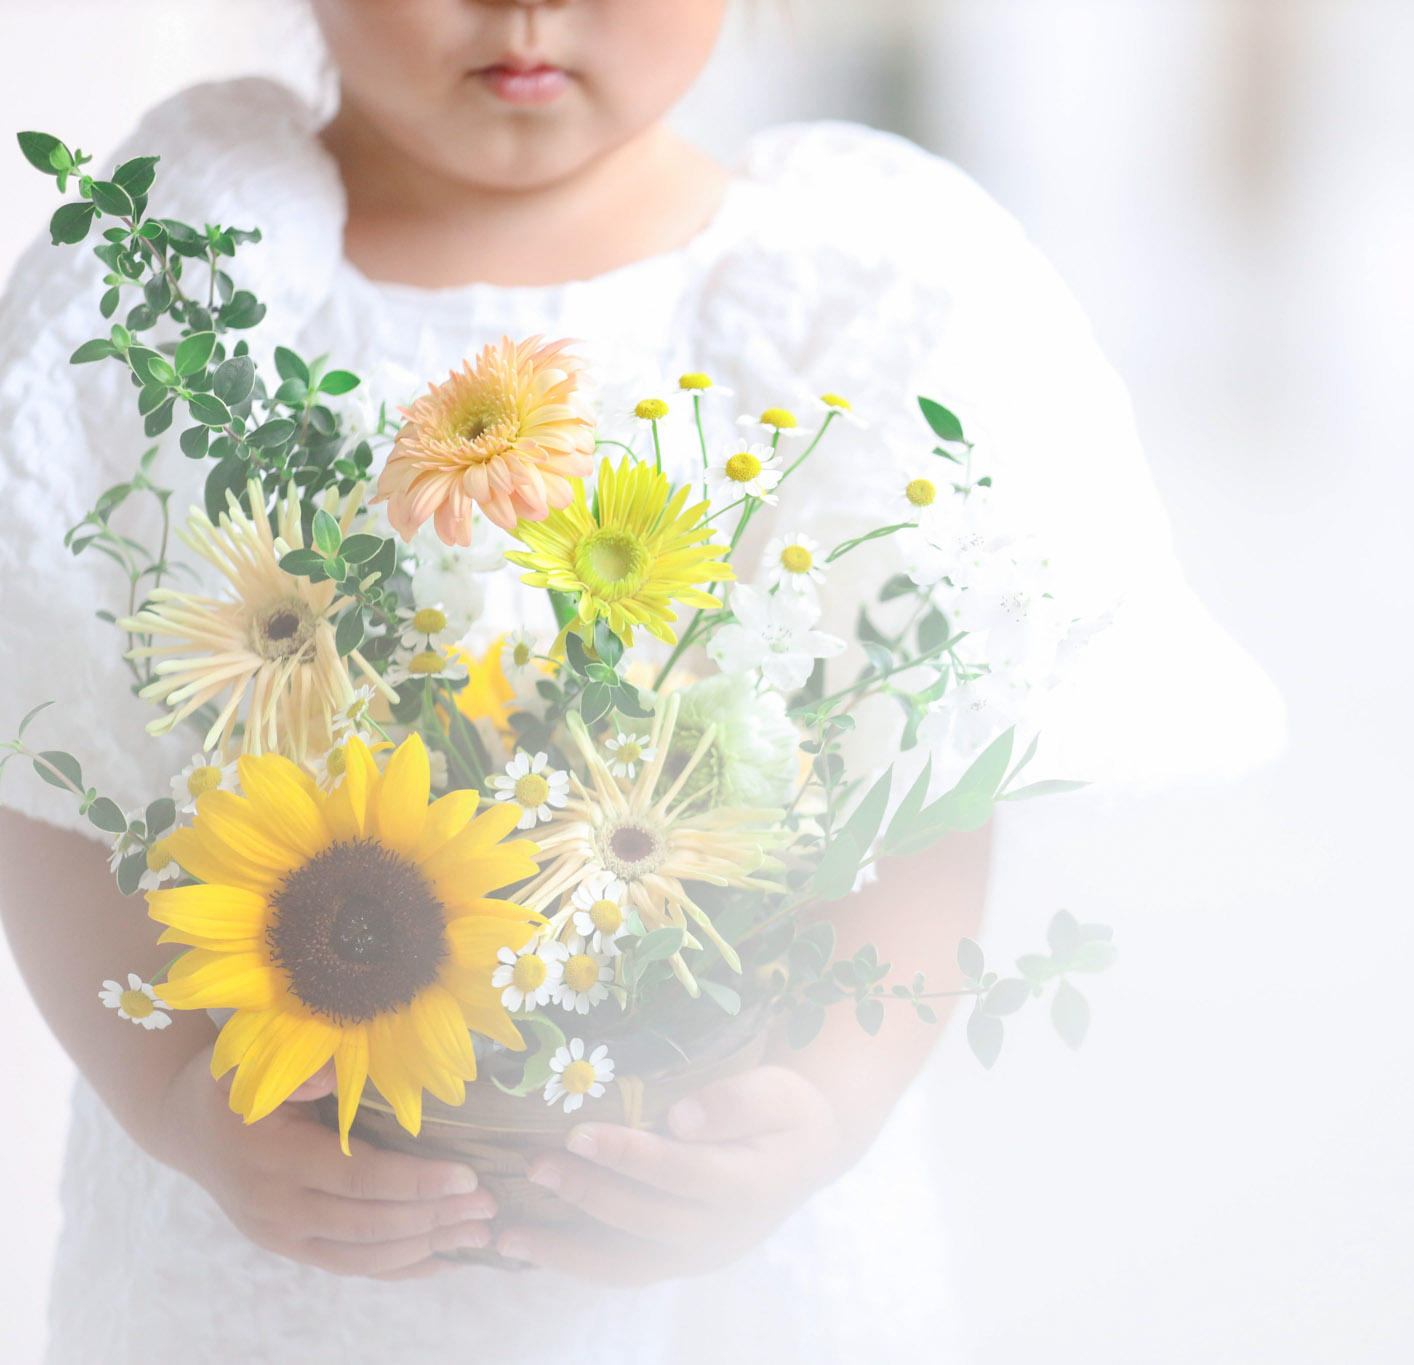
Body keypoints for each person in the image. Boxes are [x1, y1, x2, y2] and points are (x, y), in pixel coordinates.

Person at [0, 1, 1275, 1360]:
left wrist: (826, 1106)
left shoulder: (855, 294)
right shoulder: (175, 281)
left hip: (715, 1254)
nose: (531, 10)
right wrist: (176, 1102)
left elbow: (929, 786)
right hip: (271, 1238)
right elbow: (44, 748)